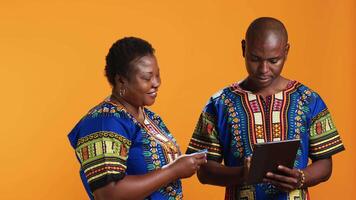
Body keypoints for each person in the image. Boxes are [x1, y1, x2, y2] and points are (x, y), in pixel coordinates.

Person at [186, 17, 345, 199]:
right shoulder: (219, 103)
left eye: (273, 60)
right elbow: (204, 171)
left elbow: (325, 163)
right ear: (244, 48)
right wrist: (242, 174)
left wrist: (301, 177)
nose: (263, 69)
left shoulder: (309, 99)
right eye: (255, 59)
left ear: (286, 51)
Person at [68, 37, 206, 200]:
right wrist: (173, 171)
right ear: (121, 80)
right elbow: (108, 194)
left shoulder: (150, 117)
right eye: (147, 78)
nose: (156, 83)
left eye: (157, 75)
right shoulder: (105, 122)